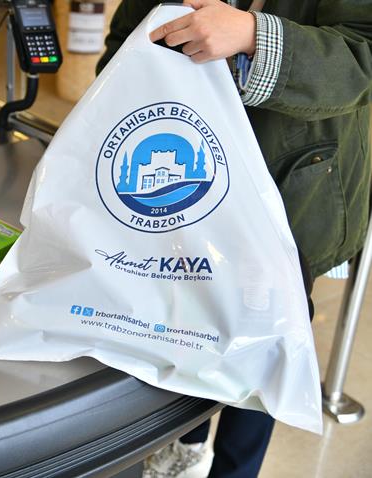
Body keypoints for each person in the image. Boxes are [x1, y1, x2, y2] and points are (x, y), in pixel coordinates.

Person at [96, 0, 372, 477]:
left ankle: (235, 470)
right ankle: (185, 443)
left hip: (289, 184)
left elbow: (362, 54)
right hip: (182, 180)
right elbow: (124, 40)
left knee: (265, 336)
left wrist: (251, 35)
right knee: (180, 314)